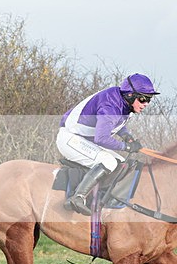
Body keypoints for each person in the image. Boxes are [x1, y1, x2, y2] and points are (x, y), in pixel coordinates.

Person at [57, 73, 158, 215]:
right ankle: (77, 197)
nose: (146, 103)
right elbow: (102, 138)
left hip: (84, 139)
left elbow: (116, 123)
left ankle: (101, 200)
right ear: (130, 95)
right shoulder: (110, 105)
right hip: (70, 139)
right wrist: (126, 147)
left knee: (121, 162)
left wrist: (127, 137)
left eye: (149, 99)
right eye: (143, 99)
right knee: (109, 162)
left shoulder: (123, 103)